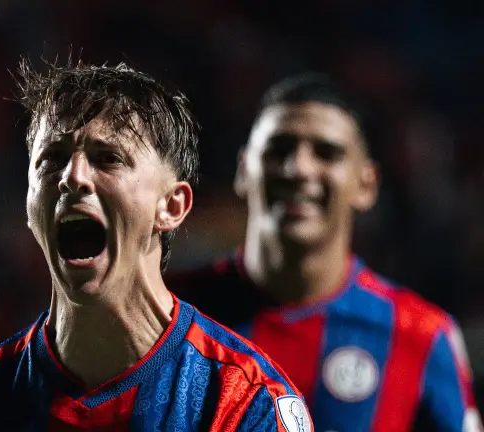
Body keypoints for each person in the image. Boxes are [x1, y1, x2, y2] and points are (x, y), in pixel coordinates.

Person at [0, 59, 312, 431]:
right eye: (51, 160)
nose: (72, 178)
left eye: (107, 158)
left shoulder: (244, 404)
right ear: (28, 206)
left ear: (172, 206)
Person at [168, 73, 482, 431]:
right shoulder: (170, 312)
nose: (299, 168)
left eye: (326, 153)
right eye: (279, 149)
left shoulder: (420, 337)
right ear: (244, 170)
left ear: (366, 184)